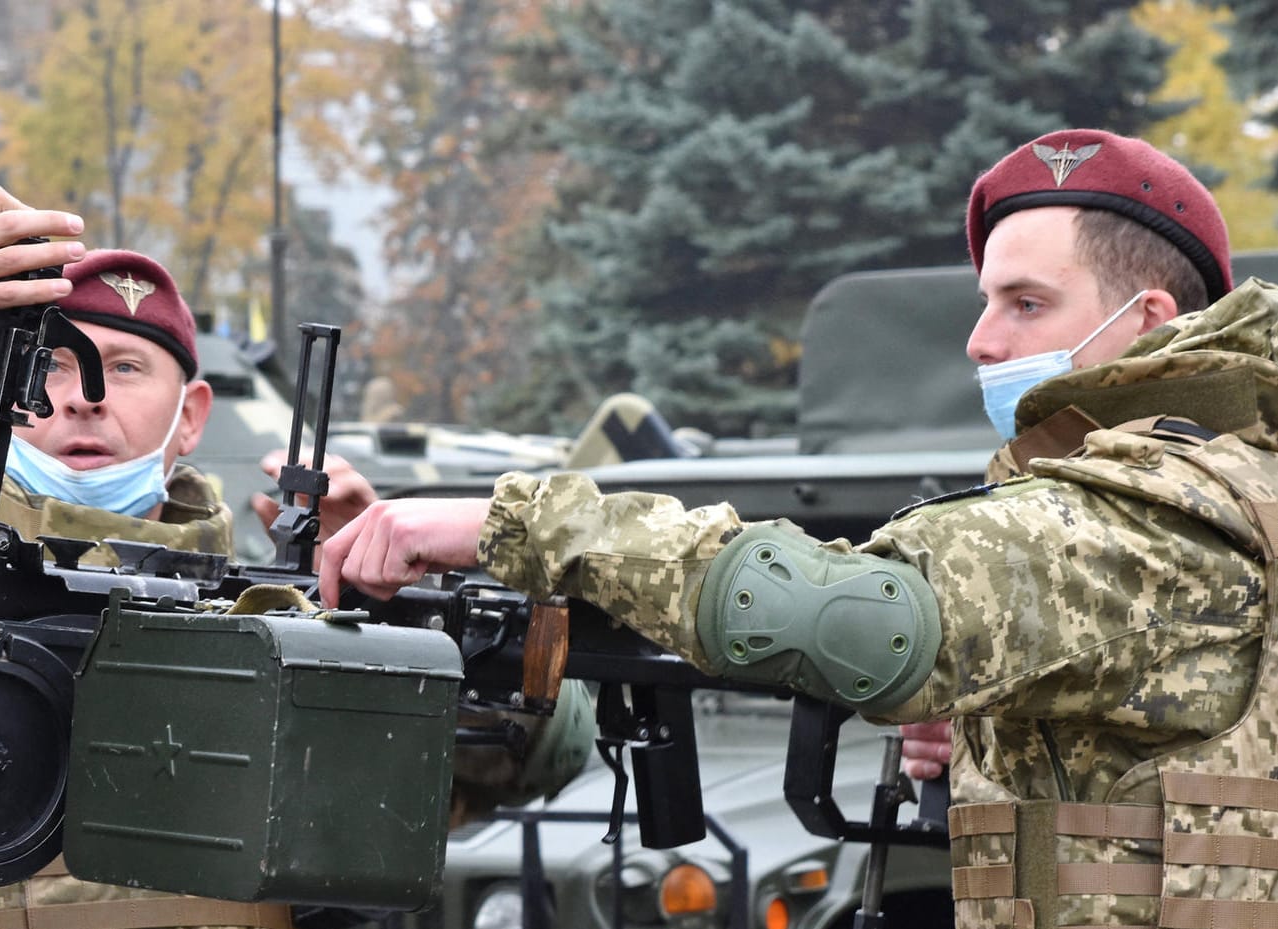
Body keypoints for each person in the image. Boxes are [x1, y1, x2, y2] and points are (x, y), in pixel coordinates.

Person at [320, 129, 1278, 928]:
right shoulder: (1229, 479)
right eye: (984, 301)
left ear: (1147, 320)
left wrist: (520, 519)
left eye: (1025, 304)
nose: (981, 340)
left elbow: (856, 620)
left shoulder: (1155, 507)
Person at [0, 185, 592, 929]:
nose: (81, 401)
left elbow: (538, 755)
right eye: (48, 367)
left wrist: (401, 611)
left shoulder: (276, 618)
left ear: (193, 414)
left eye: (124, 368)